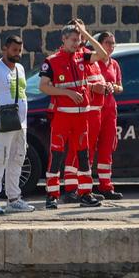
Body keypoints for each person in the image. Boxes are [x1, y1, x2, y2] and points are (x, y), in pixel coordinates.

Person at [39, 20, 107, 209]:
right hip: (62, 116)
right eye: (73, 40)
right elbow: (43, 86)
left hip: (82, 117)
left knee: (83, 156)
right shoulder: (52, 61)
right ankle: (52, 195)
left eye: (78, 40)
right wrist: (68, 93)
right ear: (64, 39)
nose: (76, 43)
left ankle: (86, 193)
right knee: (57, 156)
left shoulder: (82, 56)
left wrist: (87, 35)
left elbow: (102, 54)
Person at [0, 35, 35, 214]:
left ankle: (14, 198)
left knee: (18, 158)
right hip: (1, 123)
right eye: (14, 50)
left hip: (19, 123)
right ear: (5, 49)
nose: (17, 54)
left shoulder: (20, 68)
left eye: (19, 50)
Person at [62, 24, 109, 203]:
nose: (79, 38)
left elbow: (103, 54)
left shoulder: (87, 55)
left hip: (94, 110)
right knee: (75, 152)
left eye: (80, 33)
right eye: (76, 34)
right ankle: (71, 189)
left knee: (87, 153)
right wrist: (92, 87)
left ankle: (84, 189)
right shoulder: (71, 57)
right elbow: (73, 84)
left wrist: (86, 34)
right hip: (80, 111)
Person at [94, 31, 123, 200]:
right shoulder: (93, 62)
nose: (111, 46)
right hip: (95, 109)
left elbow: (120, 86)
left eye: (113, 43)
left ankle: (106, 186)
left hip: (110, 110)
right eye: (107, 43)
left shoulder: (114, 64)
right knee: (89, 148)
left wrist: (114, 87)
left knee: (107, 148)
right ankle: (84, 187)